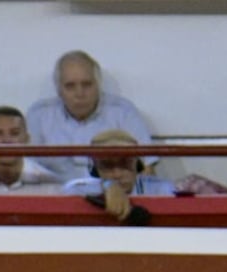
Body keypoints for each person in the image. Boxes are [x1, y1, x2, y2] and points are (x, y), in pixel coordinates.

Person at [27, 50, 156, 183]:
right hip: (55, 196)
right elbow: (26, 167)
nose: (80, 93)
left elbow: (147, 169)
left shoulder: (123, 113)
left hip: (110, 197)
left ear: (98, 85)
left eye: (87, 84)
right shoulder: (39, 115)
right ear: (59, 90)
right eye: (70, 86)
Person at [63, 129, 174, 225]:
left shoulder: (161, 189)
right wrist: (107, 185)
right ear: (94, 166)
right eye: (107, 165)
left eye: (125, 164)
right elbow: (71, 189)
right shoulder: (78, 189)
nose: (117, 174)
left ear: (138, 162)